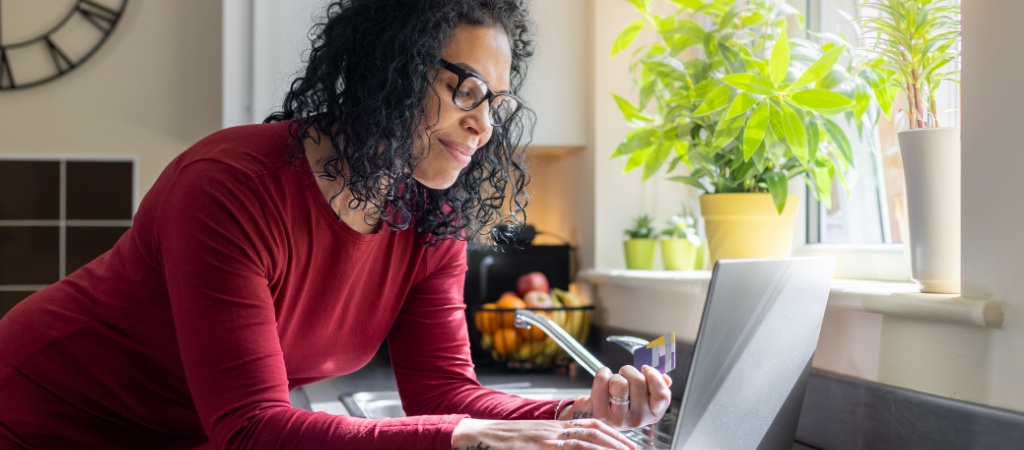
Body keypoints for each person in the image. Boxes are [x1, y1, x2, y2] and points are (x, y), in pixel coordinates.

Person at [0, 1, 670, 449]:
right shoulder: (230, 186)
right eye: (465, 91)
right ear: (392, 69)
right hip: (45, 414)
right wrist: (467, 438)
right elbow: (252, 427)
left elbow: (444, 391)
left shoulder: (428, 216)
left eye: (496, 103)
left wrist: (577, 417)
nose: (484, 125)